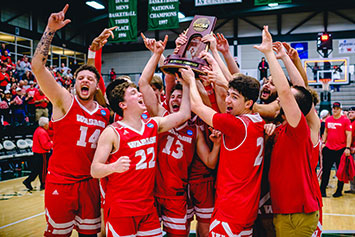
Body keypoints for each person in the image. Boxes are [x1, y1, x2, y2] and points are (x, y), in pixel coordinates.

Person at [90, 43, 191, 236]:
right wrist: (113, 166)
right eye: (134, 93)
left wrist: (186, 82)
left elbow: (185, 113)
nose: (141, 94)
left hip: (147, 208)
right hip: (121, 210)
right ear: (123, 104)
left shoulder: (153, 125)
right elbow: (95, 170)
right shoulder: (112, 132)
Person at [31, 5, 111, 236]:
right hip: (61, 183)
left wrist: (95, 51)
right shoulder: (64, 101)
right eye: (80, 78)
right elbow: (37, 67)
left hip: (90, 184)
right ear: (74, 84)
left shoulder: (104, 112)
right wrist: (50, 30)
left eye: (89, 78)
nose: (84, 81)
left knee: (90, 234)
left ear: (96, 85)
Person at [180, 65, 264, 236]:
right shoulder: (259, 122)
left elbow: (197, 106)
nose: (227, 101)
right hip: (248, 208)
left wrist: (190, 81)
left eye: (234, 97)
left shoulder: (236, 125)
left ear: (248, 103)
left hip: (230, 210)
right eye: (228, 95)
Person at [255, 26, 320, 236]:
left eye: (288, 99)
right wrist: (285, 58)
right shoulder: (285, 128)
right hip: (283, 211)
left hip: (300, 212)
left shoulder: (300, 129)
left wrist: (269, 54)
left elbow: (289, 92)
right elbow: (302, 91)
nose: (284, 97)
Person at [320, 102, 352, 197]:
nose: (335, 110)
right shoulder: (328, 120)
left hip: (340, 149)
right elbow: (326, 131)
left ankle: (339, 191)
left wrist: (347, 147)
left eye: (337, 108)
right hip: (329, 149)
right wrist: (324, 143)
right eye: (334, 108)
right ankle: (322, 190)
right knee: (326, 171)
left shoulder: (345, 121)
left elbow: (349, 134)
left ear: (340, 110)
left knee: (340, 172)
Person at [23, 117, 52, 190]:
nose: (48, 125)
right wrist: (52, 144)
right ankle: (43, 184)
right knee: (43, 170)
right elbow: (45, 145)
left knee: (36, 170)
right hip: (42, 153)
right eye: (47, 123)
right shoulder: (42, 132)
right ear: (45, 124)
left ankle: (28, 181)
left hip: (37, 153)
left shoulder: (38, 130)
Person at [344, 106, 355, 194]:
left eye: (353, 112)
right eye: (349, 112)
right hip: (349, 149)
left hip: (353, 149)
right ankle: (353, 188)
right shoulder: (349, 122)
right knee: (352, 169)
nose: (350, 114)